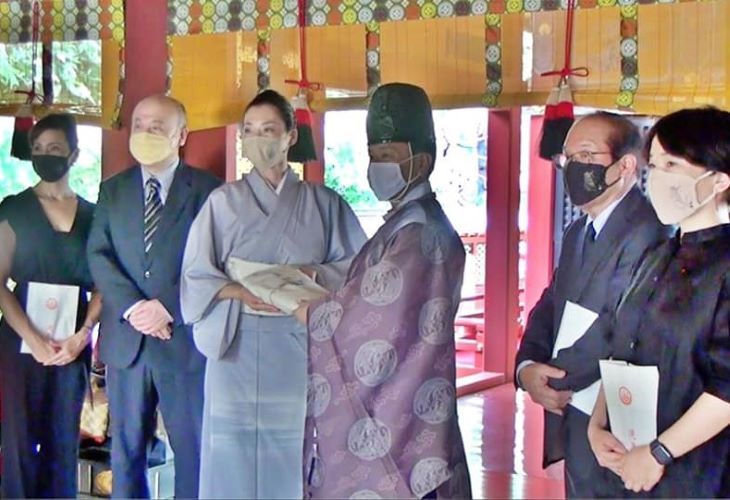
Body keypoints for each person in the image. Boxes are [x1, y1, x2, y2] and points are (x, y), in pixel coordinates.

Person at [180, 89, 366, 499]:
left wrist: (312, 272)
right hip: (237, 342)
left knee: (291, 449)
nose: (257, 139)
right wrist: (236, 291)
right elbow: (194, 275)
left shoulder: (323, 203)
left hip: (298, 344)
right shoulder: (222, 202)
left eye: (268, 130)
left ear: (290, 137)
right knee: (231, 453)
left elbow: (357, 268)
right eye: (248, 131)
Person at [294, 83, 472, 499]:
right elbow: (371, 290)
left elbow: (371, 324)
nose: (376, 166)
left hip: (405, 427)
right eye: (373, 155)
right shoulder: (409, 221)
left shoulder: (419, 234)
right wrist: (326, 281)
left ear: (421, 160)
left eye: (388, 156)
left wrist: (315, 314)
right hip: (412, 414)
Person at [514, 112, 668, 497]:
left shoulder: (648, 230)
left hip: (615, 410)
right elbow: (551, 303)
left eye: (586, 155)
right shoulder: (578, 229)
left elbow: (616, 323)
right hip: (574, 404)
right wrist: (527, 366)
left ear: (626, 165)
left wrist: (553, 379)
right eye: (568, 158)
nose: (573, 167)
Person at [587, 107, 730, 497]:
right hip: (628, 463)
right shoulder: (656, 254)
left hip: (696, 473)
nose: (658, 178)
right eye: (654, 165)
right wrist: (598, 424)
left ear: (717, 179)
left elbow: (727, 387)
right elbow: (621, 346)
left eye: (672, 163)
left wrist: (659, 453)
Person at [87, 95, 222, 498]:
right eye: (139, 124)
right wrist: (134, 308)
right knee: (126, 453)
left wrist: (167, 307)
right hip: (126, 344)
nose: (146, 132)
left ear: (181, 135)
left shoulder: (208, 191)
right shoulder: (113, 191)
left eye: (157, 126)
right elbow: (99, 254)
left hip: (182, 343)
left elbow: (216, 263)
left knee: (193, 450)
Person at [0, 113, 101, 498]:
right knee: (19, 440)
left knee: (63, 441)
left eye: (55, 149)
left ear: (73, 155)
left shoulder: (95, 216)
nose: (46, 156)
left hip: (72, 345)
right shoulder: (15, 209)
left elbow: (103, 286)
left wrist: (83, 334)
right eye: (39, 149)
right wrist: (33, 338)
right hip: (20, 343)